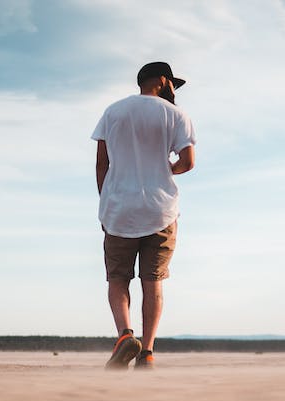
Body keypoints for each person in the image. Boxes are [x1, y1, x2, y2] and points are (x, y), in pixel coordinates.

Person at [92, 61, 196, 370]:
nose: (173, 90)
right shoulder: (176, 115)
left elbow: (101, 163)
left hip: (119, 210)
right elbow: (188, 162)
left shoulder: (113, 112)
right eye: (172, 84)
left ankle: (125, 336)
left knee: (118, 278)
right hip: (160, 210)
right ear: (163, 81)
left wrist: (107, 199)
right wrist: (166, 170)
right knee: (153, 282)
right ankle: (147, 352)